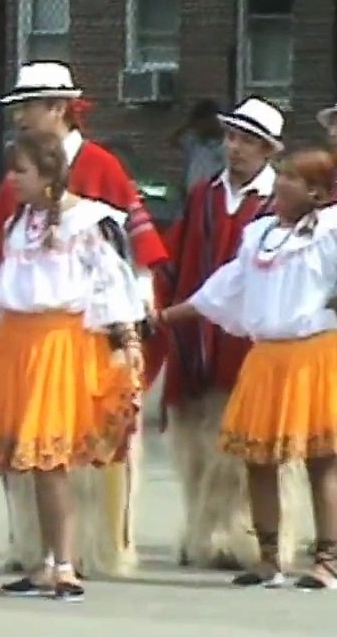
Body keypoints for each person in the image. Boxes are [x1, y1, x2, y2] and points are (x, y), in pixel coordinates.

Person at [0, 61, 167, 578]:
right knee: (29, 449)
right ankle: (38, 549)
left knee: (82, 450)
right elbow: (2, 253)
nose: (20, 117)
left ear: (59, 108)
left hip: (81, 331)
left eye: (29, 107)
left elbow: (126, 252)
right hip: (25, 335)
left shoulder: (102, 166)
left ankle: (97, 549)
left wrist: (130, 322)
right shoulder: (19, 185)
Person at [160, 144, 337, 590]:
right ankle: (268, 558)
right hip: (266, 358)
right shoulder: (259, 236)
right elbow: (222, 290)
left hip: (313, 355)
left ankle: (328, 560)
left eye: (292, 179)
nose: (280, 184)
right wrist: (165, 316)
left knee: (321, 461)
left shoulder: (331, 233)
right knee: (258, 460)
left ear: (317, 193)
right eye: (281, 176)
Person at [169, 99, 227, 193]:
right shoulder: (194, 141)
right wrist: (188, 123)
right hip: (192, 195)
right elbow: (174, 140)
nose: (202, 126)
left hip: (214, 196)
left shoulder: (225, 144)